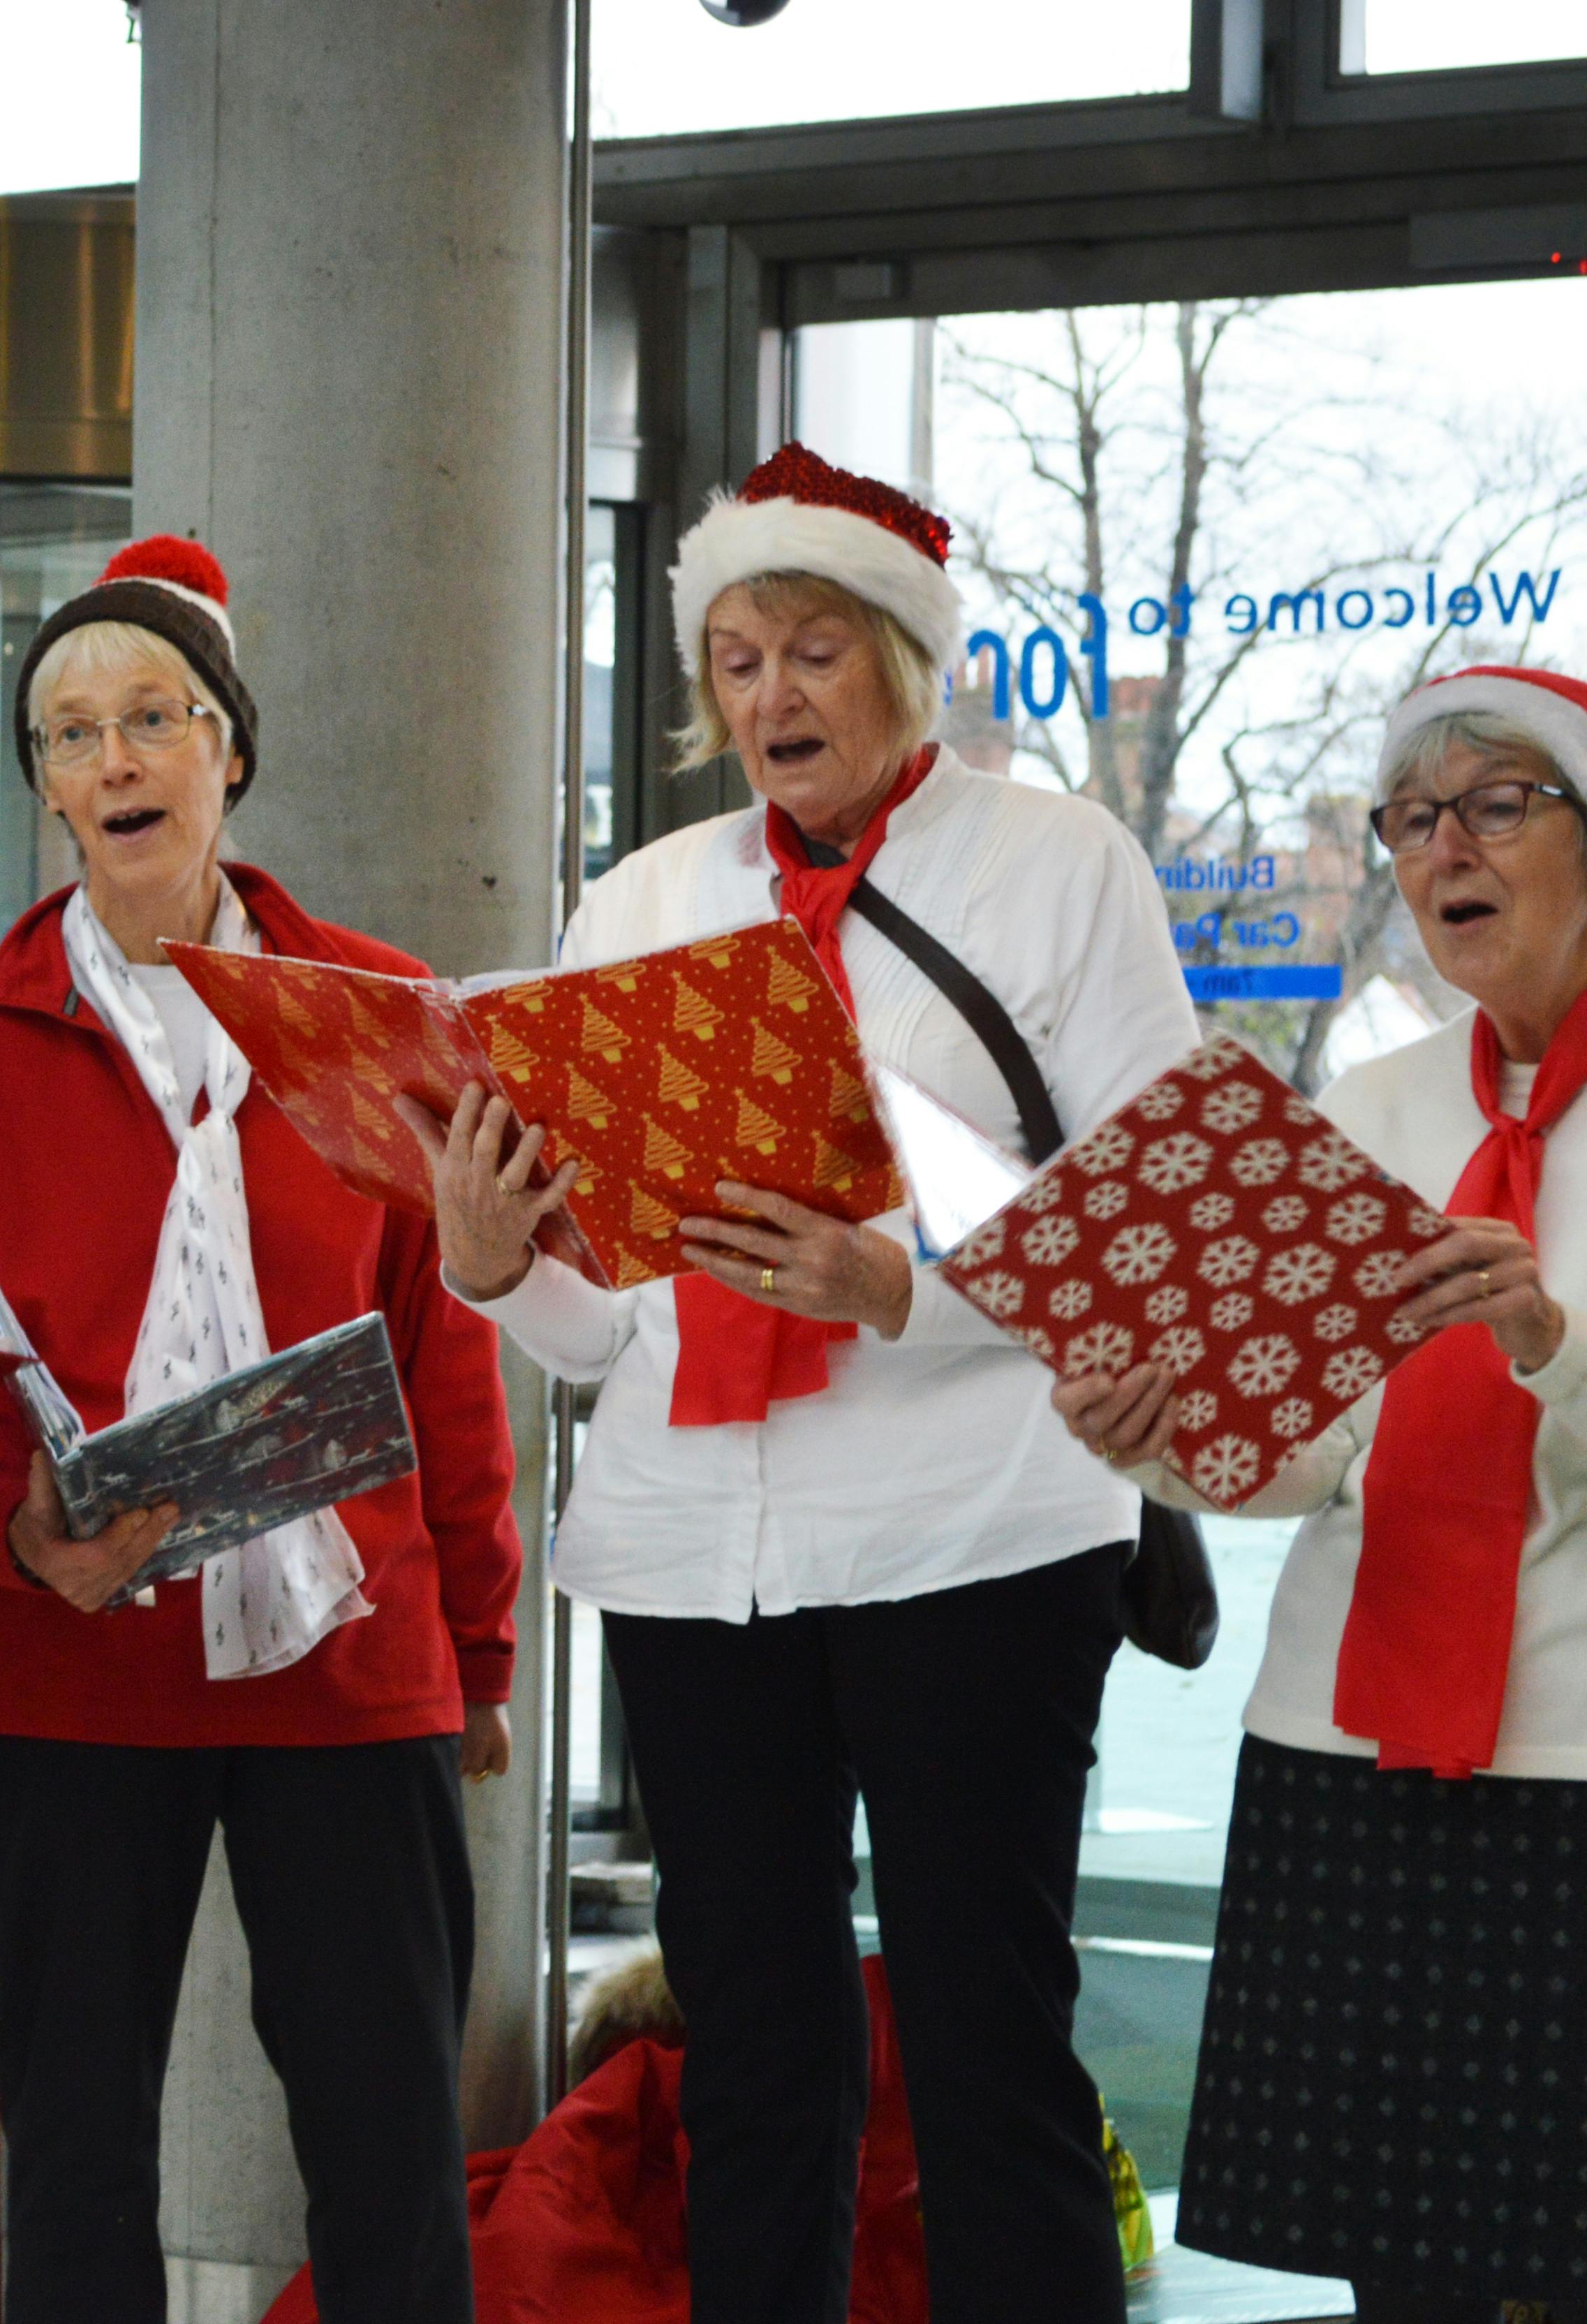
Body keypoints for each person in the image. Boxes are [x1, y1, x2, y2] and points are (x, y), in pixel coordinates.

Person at [415, 444, 1200, 2324]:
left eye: (816, 651)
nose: (772, 695)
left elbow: (1155, 1224)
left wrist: (901, 1287)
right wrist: (493, 1270)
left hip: (981, 1539)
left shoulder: (1054, 865)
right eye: (740, 658)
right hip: (700, 1557)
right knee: (754, 2062)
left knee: (983, 2048)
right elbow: (621, 1329)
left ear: (905, 665)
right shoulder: (642, 899)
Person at [0, 537, 521, 2324]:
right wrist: (12, 1529)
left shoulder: (380, 1013)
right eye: (69, 732)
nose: (115, 757)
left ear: (227, 750)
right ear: (47, 788)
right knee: (70, 2150)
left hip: (347, 1656)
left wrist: (473, 1642)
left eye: (152, 715)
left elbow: (440, 1345)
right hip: (67, 1648)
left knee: (390, 2139)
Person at [1049, 665, 1587, 2324]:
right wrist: (1153, 1434)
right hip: (1347, 1752)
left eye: (1495, 802)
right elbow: (1311, 1450)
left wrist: (1544, 1342)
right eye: (1414, 821)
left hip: (1567, 1758)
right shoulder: (1374, 1105)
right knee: (1403, 2277)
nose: (1444, 851)